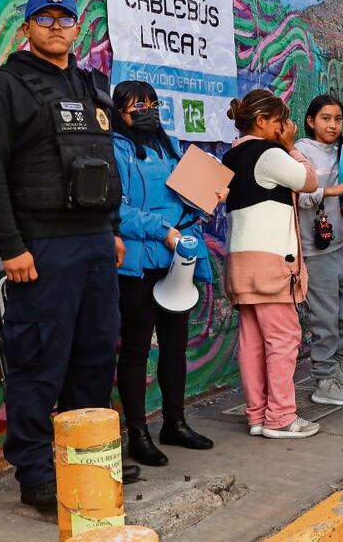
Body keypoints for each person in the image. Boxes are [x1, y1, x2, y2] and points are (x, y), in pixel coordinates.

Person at [0, 0, 139, 512]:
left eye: (65, 18)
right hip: (41, 249)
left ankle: (84, 458)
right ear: (27, 28)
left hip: (93, 245)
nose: (57, 26)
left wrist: (111, 229)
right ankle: (38, 473)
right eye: (45, 18)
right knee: (40, 361)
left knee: (93, 354)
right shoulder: (6, 86)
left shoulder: (92, 87)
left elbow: (103, 164)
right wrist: (12, 246)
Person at [112, 80, 220, 466]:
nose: (147, 110)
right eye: (137, 104)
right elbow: (117, 211)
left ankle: (174, 423)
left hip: (178, 261)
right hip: (140, 264)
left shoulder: (169, 145)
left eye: (152, 103)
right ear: (119, 111)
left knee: (175, 345)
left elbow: (185, 200)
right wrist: (164, 232)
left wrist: (208, 195)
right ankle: (138, 434)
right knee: (137, 349)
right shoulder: (114, 149)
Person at [222, 89, 320, 438]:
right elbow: (309, 181)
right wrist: (292, 146)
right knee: (283, 337)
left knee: (251, 339)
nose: (286, 127)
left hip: (240, 262)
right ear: (262, 122)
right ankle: (280, 416)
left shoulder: (230, 156)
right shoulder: (268, 153)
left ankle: (257, 415)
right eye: (281, 121)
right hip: (271, 263)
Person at [296, 95, 343, 407]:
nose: (333, 125)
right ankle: (324, 379)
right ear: (311, 121)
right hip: (315, 249)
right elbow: (298, 197)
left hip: (340, 243)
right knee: (325, 317)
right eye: (326, 118)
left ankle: (336, 364)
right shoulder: (299, 151)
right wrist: (329, 190)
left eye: (337, 118)